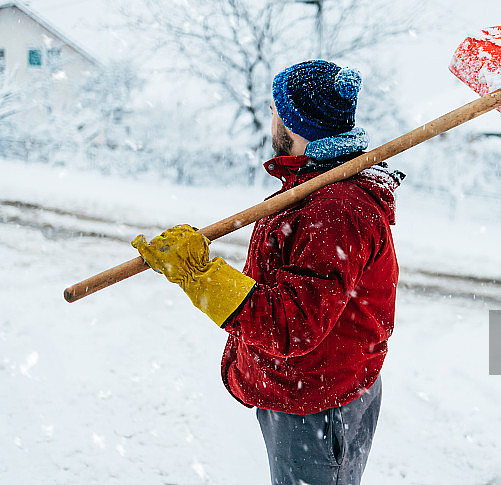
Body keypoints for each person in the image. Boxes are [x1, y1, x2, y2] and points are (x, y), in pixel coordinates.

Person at [132, 59, 403, 485]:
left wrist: (200, 276)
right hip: (316, 389)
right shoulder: (316, 187)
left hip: (316, 401)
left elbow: (289, 325)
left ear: (295, 123)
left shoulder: (334, 210)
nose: (271, 116)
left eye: (277, 108)